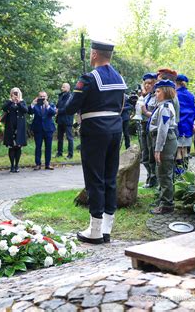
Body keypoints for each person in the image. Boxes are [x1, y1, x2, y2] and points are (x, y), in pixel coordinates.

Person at [65, 40, 127, 244]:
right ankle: (107, 228)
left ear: (94, 55)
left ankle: (95, 230)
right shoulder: (120, 78)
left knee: (94, 179)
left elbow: (72, 106)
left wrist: (60, 108)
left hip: (95, 131)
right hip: (115, 129)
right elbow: (122, 105)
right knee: (110, 177)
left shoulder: (89, 78)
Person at [148, 80, 178, 214]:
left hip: (165, 142)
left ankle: (167, 205)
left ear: (165, 92)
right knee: (162, 171)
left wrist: (158, 149)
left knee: (164, 173)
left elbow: (163, 129)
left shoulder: (165, 107)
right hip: (164, 140)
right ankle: (163, 200)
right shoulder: (162, 106)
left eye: (158, 91)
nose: (155, 93)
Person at [29, 91, 56, 170]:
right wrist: (32, 104)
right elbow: (29, 111)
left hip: (48, 129)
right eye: (41, 96)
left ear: (47, 97)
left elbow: (53, 112)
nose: (42, 98)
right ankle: (38, 164)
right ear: (38, 97)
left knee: (48, 147)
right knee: (38, 147)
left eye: (44, 96)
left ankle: (48, 164)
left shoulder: (51, 105)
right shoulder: (36, 105)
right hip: (38, 129)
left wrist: (47, 106)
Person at [2, 87, 28, 173]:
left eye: (17, 93)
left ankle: (17, 165)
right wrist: (11, 101)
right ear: (11, 93)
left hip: (20, 128)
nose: (15, 94)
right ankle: (12, 166)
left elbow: (25, 110)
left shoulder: (22, 102)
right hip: (10, 127)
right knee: (11, 146)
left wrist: (19, 101)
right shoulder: (9, 102)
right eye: (14, 93)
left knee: (18, 146)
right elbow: (4, 108)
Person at [175, 74, 195, 173]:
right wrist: (192, 123)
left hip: (178, 124)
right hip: (188, 125)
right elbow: (194, 111)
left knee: (178, 150)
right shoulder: (191, 95)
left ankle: (179, 173)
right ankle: (185, 172)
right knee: (185, 150)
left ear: (176, 83)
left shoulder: (175, 94)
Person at [140, 73, 158, 188]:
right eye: (145, 83)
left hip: (151, 128)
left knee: (151, 154)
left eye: (150, 83)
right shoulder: (146, 97)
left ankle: (153, 180)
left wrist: (145, 112)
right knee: (145, 154)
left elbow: (158, 114)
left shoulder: (158, 96)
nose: (147, 86)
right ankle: (149, 178)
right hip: (143, 126)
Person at [55, 83, 74, 159]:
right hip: (60, 120)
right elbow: (57, 106)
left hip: (67, 120)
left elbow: (68, 108)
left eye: (63, 87)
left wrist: (58, 111)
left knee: (69, 138)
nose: (61, 88)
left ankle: (70, 154)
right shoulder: (61, 96)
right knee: (59, 138)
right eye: (61, 87)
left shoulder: (70, 97)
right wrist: (55, 109)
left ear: (68, 88)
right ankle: (59, 153)